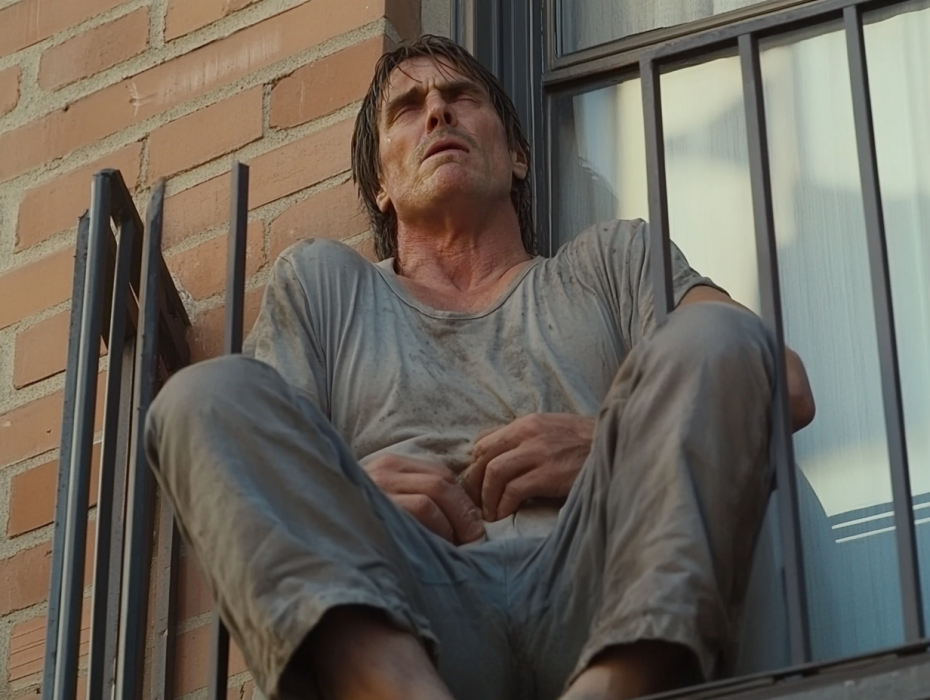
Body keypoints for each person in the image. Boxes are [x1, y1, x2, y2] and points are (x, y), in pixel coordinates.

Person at [145, 35, 815, 700]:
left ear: (517, 156)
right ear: (380, 186)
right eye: (408, 109)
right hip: (407, 601)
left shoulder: (614, 262)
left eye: (461, 97)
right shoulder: (324, 287)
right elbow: (263, 484)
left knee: (714, 330)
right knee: (202, 397)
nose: (437, 112)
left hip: (602, 578)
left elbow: (778, 380)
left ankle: (619, 682)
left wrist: (606, 444)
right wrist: (350, 493)